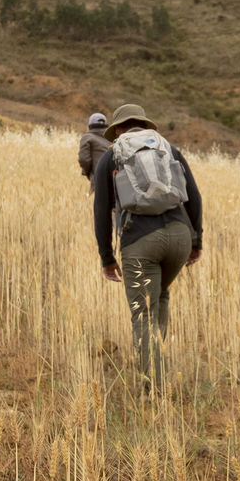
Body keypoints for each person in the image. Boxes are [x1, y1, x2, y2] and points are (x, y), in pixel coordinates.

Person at [90, 103, 203, 391]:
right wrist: (196, 240)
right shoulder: (168, 148)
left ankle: (153, 389)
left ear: (118, 130)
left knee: (143, 313)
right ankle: (159, 370)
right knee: (160, 296)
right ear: (143, 124)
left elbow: (102, 209)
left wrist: (106, 257)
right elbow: (194, 196)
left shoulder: (112, 155)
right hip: (179, 237)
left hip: (140, 242)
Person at [78, 112, 111, 180]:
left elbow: (83, 159)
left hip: (98, 176)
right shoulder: (112, 137)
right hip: (115, 176)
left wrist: (88, 173)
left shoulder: (87, 137)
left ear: (90, 125)